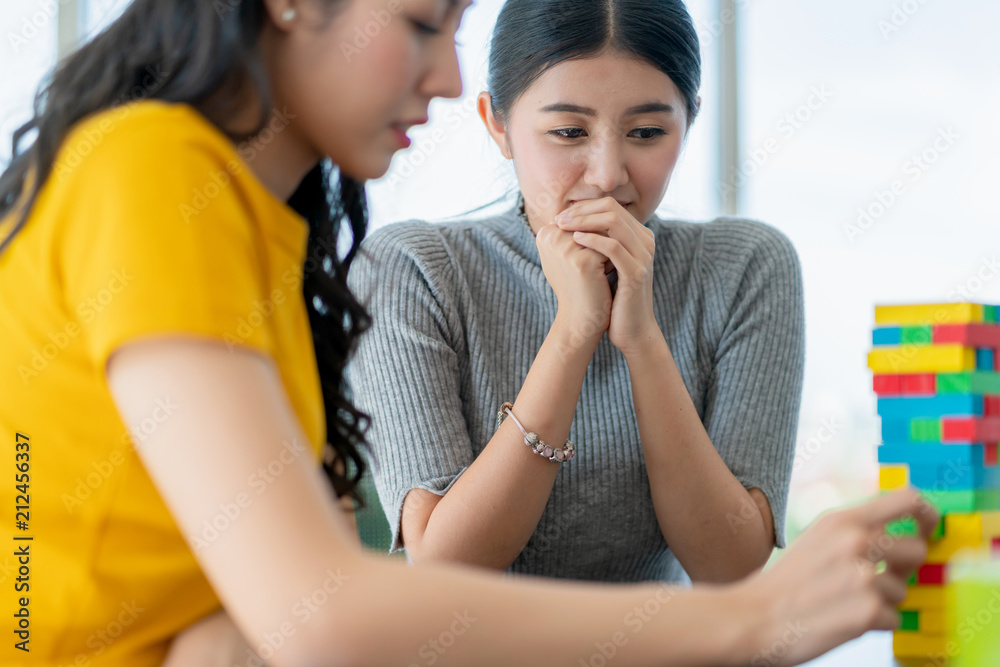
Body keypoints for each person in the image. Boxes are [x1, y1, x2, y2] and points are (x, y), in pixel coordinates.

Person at [0, 0, 934, 666]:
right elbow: (322, 617)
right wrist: (753, 620)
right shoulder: (157, 172)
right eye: (419, 24)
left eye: (648, 130)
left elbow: (283, 616)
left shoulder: (263, 234)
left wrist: (638, 341)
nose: (448, 77)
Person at [348, 0, 797, 584]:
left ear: (689, 122)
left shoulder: (744, 267)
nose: (608, 174)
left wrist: (640, 338)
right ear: (498, 125)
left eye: (646, 132)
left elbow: (730, 563)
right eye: (568, 131)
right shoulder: (412, 269)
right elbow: (447, 562)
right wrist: (573, 332)